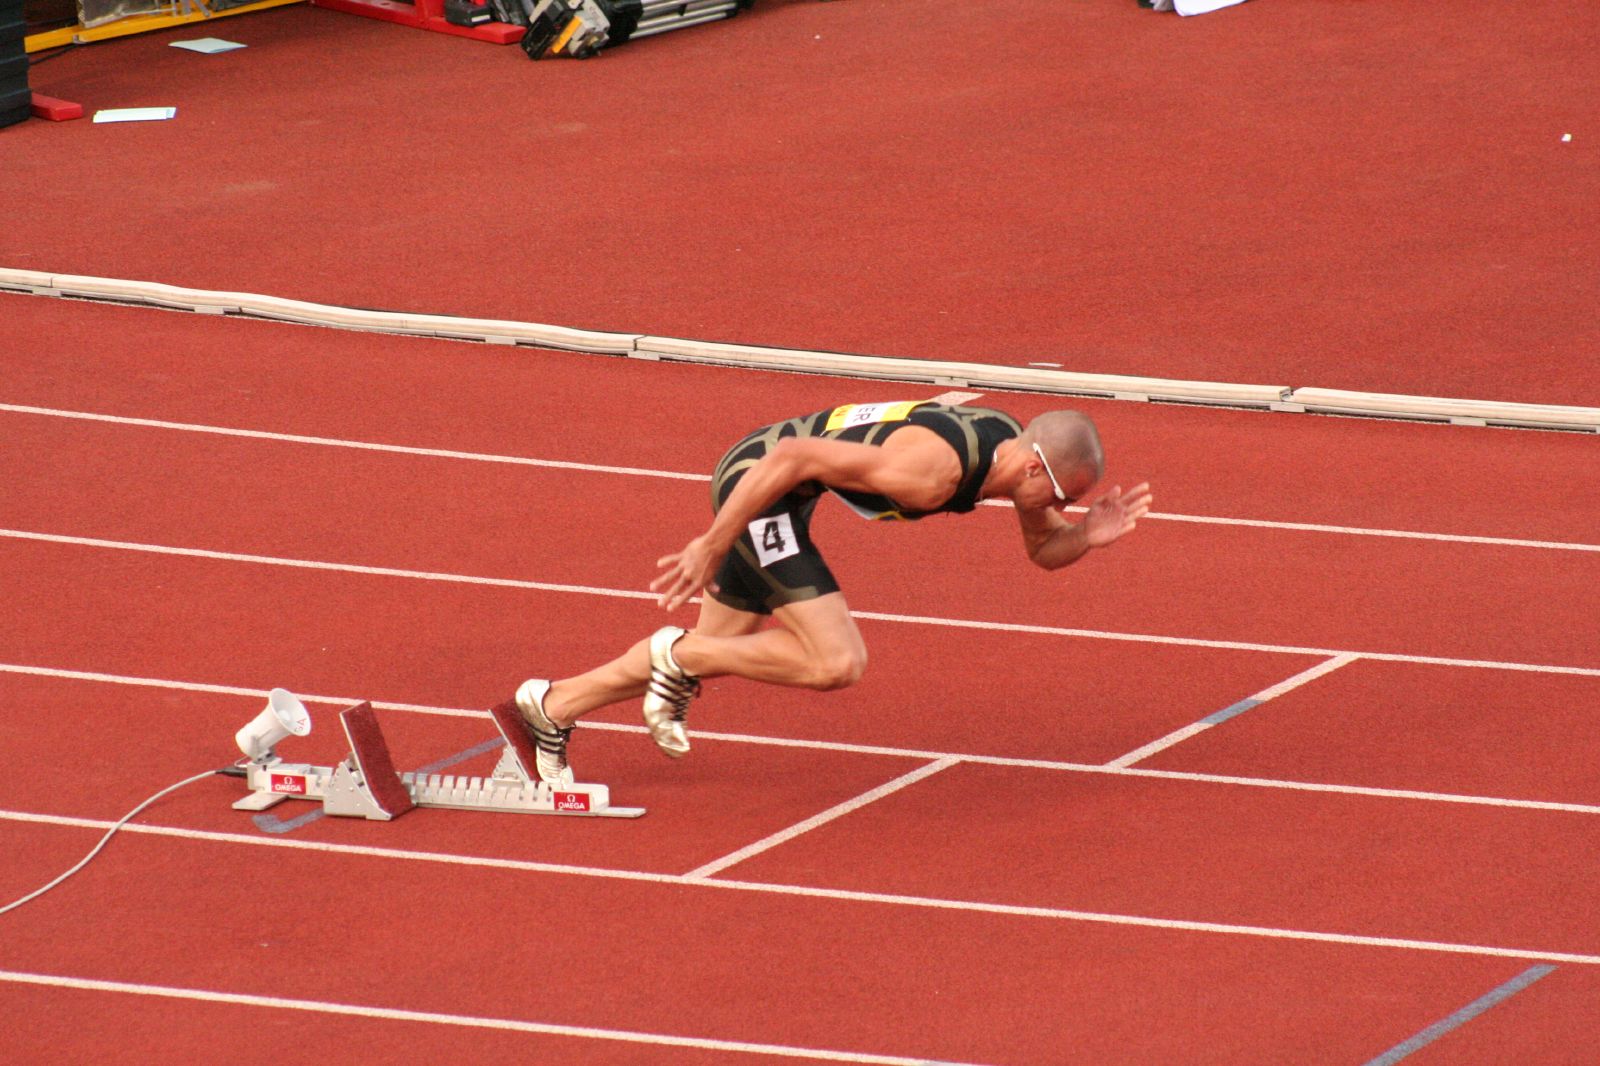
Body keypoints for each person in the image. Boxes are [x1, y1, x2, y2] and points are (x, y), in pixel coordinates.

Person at [511, 400, 1152, 786]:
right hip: (762, 483)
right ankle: (677, 657)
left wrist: (1086, 538)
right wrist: (711, 542)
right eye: (1063, 498)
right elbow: (789, 457)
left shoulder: (1008, 452)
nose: (1057, 509)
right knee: (836, 662)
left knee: (727, 645)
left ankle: (553, 704)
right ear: (1036, 466)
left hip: (790, 490)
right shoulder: (933, 471)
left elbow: (1043, 550)